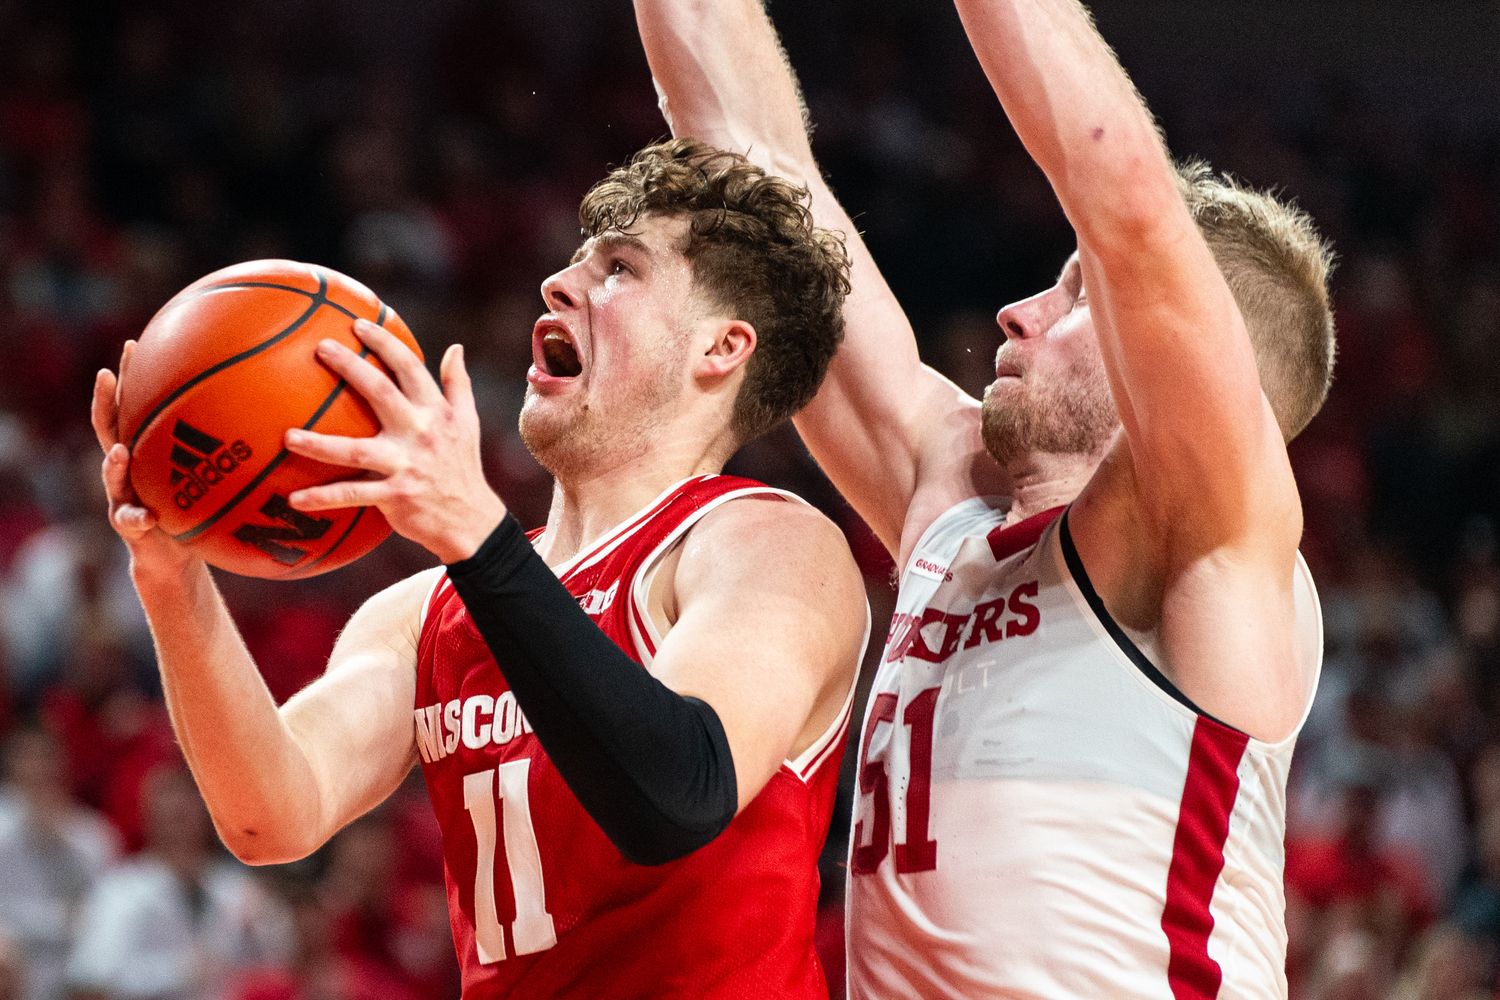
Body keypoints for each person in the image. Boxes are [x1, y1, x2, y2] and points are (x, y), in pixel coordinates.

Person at [635, 0, 1333, 995]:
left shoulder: (1207, 530)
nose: (1018, 309)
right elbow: (751, 167)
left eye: (1075, 292)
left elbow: (1126, 202)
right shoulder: (945, 488)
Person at [91, 139, 869, 997]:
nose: (559, 284)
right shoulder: (427, 610)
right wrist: (171, 579)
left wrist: (474, 534)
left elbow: (679, 796)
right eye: (574, 261)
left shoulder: (765, 543)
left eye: (619, 269)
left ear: (719, 348)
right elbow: (270, 815)